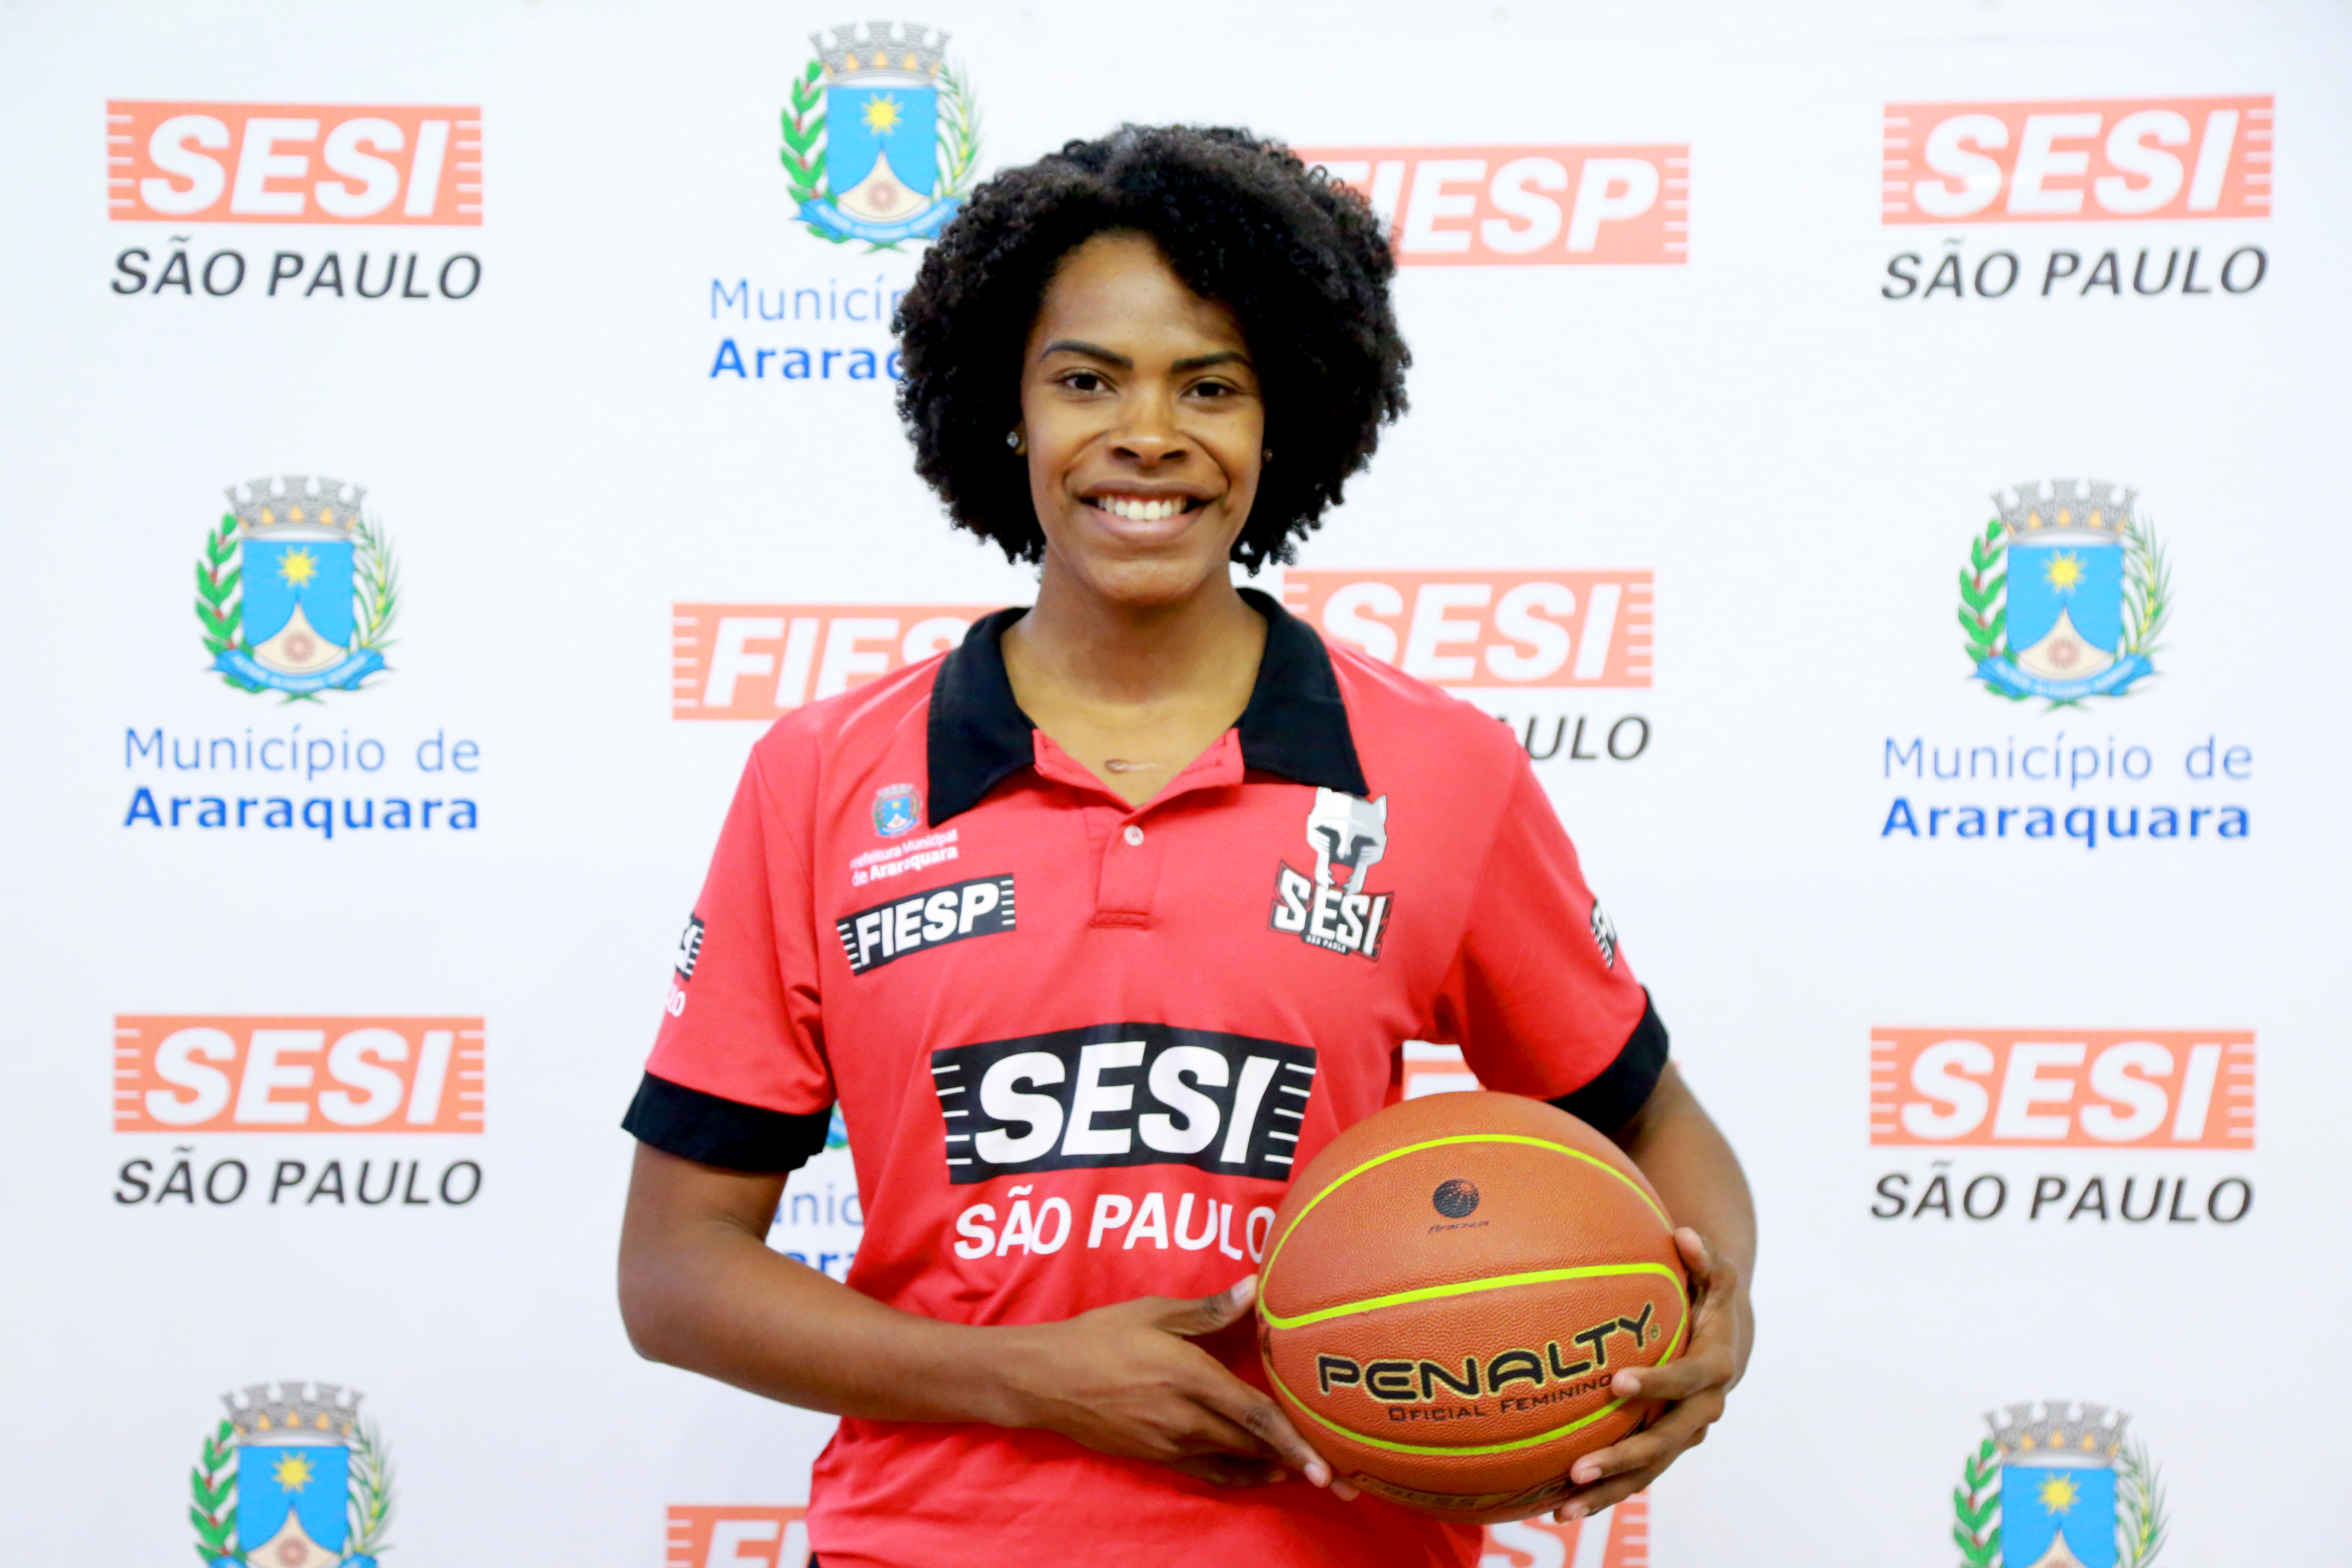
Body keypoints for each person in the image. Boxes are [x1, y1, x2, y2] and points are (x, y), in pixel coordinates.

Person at [618, 125, 1754, 1568]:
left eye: (1207, 385)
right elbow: (674, 1274)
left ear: (1284, 421)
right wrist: (1025, 1380)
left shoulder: (1437, 769)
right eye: (1085, 378)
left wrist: (1715, 1317)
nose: (1146, 432)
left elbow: (1653, 1130)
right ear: (1005, 412)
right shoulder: (827, 776)